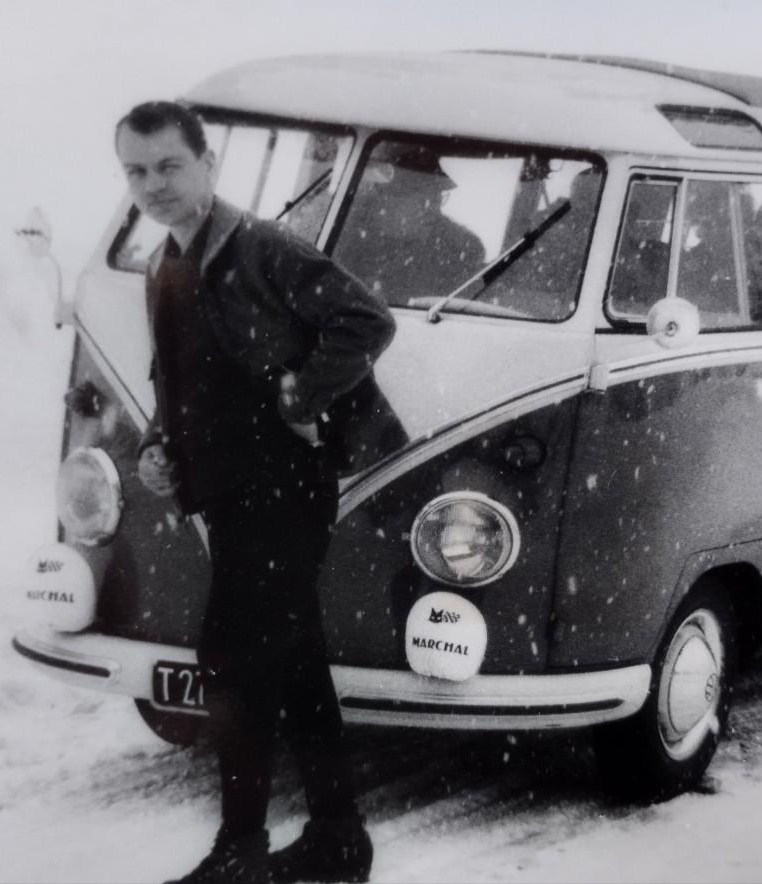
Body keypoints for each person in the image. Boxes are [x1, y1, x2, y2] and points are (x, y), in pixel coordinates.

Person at [116, 101, 395, 884]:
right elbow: (173, 378)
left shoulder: (264, 248)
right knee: (296, 658)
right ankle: (341, 839)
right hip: (231, 492)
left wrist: (300, 396)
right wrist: (155, 448)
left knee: (233, 657)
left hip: (283, 486)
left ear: (209, 164)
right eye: (136, 171)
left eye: (169, 165)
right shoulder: (163, 265)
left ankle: (241, 852)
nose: (153, 184)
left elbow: (366, 322)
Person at [334, 144, 485, 302]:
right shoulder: (344, 242)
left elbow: (459, 314)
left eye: (437, 197)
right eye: (424, 198)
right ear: (387, 199)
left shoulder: (458, 252)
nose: (433, 208)